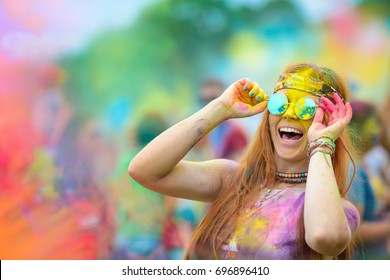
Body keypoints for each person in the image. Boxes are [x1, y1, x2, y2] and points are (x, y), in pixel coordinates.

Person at [128, 63, 360, 260]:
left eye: (307, 108)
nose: (290, 114)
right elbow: (144, 170)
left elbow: (324, 237)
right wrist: (220, 108)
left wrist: (322, 142)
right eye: (281, 102)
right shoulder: (232, 180)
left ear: (331, 123)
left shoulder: (338, 212)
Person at [348, 101, 390, 259]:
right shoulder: (353, 169)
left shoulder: (363, 163)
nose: (377, 132)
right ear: (353, 129)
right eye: (372, 125)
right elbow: (353, 232)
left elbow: (379, 196)